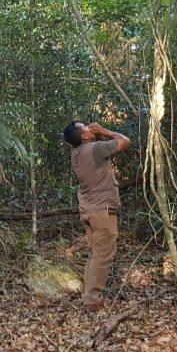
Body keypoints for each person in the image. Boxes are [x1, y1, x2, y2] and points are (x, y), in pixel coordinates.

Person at [63, 120, 131, 312]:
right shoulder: (95, 149)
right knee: (103, 256)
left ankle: (88, 294)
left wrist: (97, 134)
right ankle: (92, 300)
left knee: (96, 255)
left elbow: (99, 154)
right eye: (85, 127)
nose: (89, 126)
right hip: (102, 211)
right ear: (84, 136)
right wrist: (103, 130)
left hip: (88, 211)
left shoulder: (76, 153)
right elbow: (125, 141)